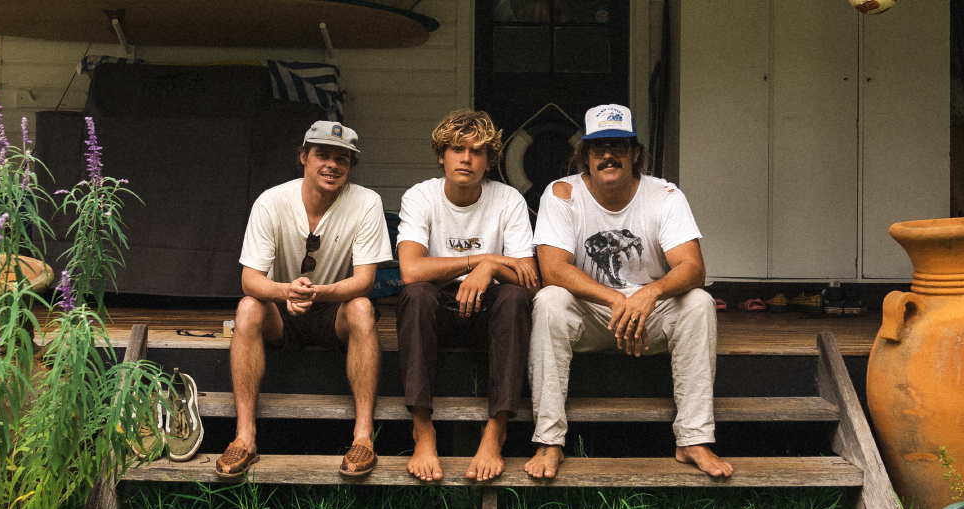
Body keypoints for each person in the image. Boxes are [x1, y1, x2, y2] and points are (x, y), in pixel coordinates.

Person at [526, 104, 733, 480]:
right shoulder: (561, 194)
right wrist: (616, 299)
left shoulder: (665, 195)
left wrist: (650, 293)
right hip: (592, 314)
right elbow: (552, 269)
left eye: (618, 146)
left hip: (647, 316)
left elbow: (693, 268)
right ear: (584, 155)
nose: (608, 155)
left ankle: (693, 438)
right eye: (598, 147)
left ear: (634, 153)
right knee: (548, 300)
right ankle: (549, 440)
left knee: (699, 303)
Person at [218, 120, 392, 478]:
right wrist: (286, 291)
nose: (332, 165)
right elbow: (249, 279)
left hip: (335, 310)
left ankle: (363, 436)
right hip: (283, 312)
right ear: (303, 158)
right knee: (248, 308)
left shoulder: (366, 202)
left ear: (350, 166)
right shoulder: (272, 201)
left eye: (342, 159)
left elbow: (365, 281)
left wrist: (317, 293)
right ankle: (245, 437)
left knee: (362, 309)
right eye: (323, 155)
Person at [396, 110, 539, 483]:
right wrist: (482, 258)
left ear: (489, 161)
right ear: (441, 155)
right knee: (416, 295)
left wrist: (490, 271)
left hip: (487, 310)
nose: (466, 158)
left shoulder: (508, 200)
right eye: (457, 149)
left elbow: (528, 277)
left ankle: (497, 429)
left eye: (477, 152)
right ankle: (422, 429)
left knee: (514, 299)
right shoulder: (420, 197)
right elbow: (410, 269)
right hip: (439, 308)